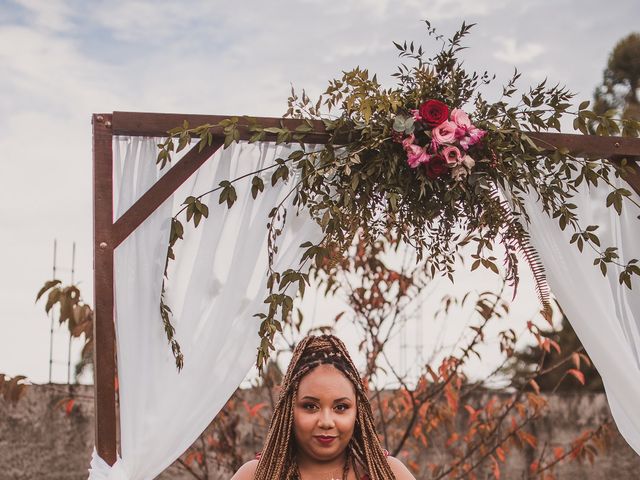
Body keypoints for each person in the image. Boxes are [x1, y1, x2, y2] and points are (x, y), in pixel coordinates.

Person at [231, 334, 416, 480]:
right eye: (310, 406)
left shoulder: (388, 474)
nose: (326, 422)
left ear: (357, 412)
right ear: (289, 410)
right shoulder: (256, 475)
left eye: (341, 407)